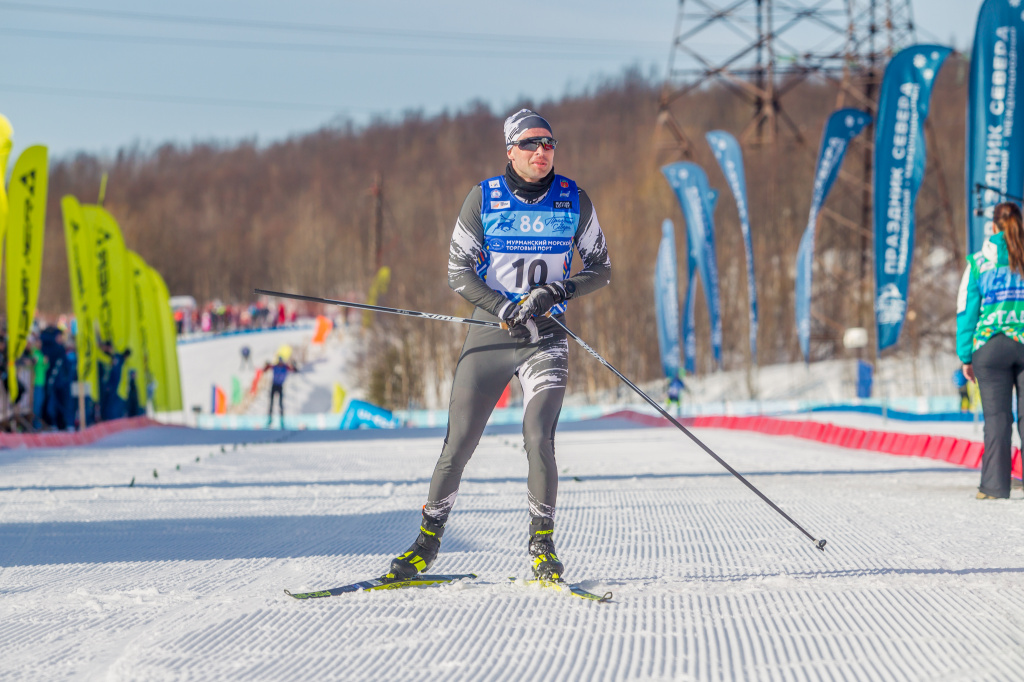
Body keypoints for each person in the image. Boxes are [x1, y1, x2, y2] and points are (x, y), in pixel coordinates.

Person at [385, 108, 611, 582]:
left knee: (538, 437)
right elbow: (458, 270)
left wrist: (560, 289)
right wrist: (499, 305)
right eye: (530, 143)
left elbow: (601, 267)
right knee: (458, 444)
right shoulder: (483, 198)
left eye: (549, 143)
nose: (542, 151)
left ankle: (542, 545)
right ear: (510, 150)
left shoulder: (573, 199)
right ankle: (426, 543)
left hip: (545, 336)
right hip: (491, 332)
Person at [957, 201, 1024, 500]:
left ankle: (995, 487)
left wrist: (965, 356)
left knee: (997, 418)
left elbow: (966, 312)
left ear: (993, 227)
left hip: (990, 346)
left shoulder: (978, 261)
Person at [263, 355, 298, 428]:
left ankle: (282, 421)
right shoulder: (275, 366)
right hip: (274, 385)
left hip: (280, 386)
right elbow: (266, 369)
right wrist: (266, 365)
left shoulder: (285, 367)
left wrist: (294, 365)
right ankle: (270, 419)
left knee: (280, 404)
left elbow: (295, 370)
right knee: (271, 403)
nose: (280, 363)